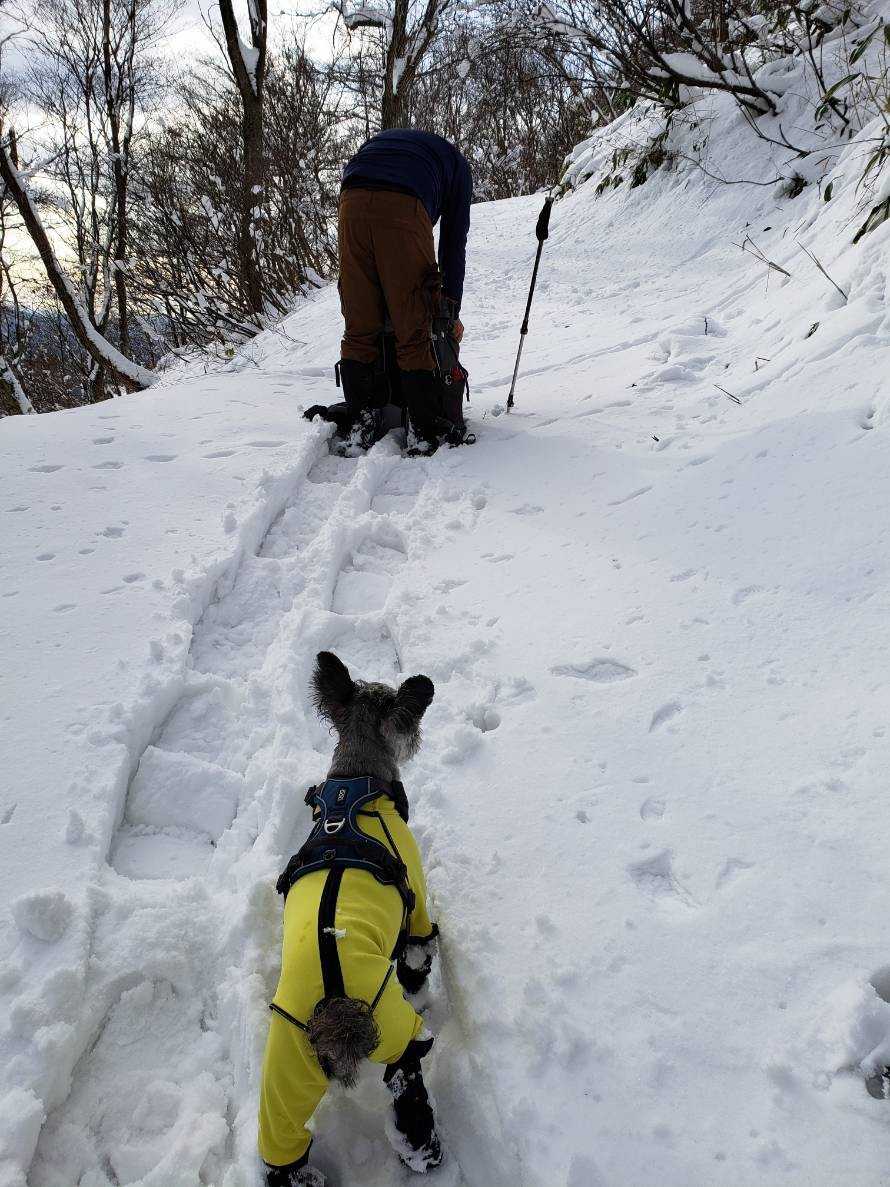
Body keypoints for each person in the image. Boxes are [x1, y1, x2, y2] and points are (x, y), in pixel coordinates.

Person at [333, 128, 472, 455]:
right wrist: (450, 309)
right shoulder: (459, 169)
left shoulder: (385, 143)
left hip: (351, 202)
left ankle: (360, 425)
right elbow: (453, 245)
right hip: (403, 204)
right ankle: (423, 430)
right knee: (414, 324)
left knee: (360, 323)